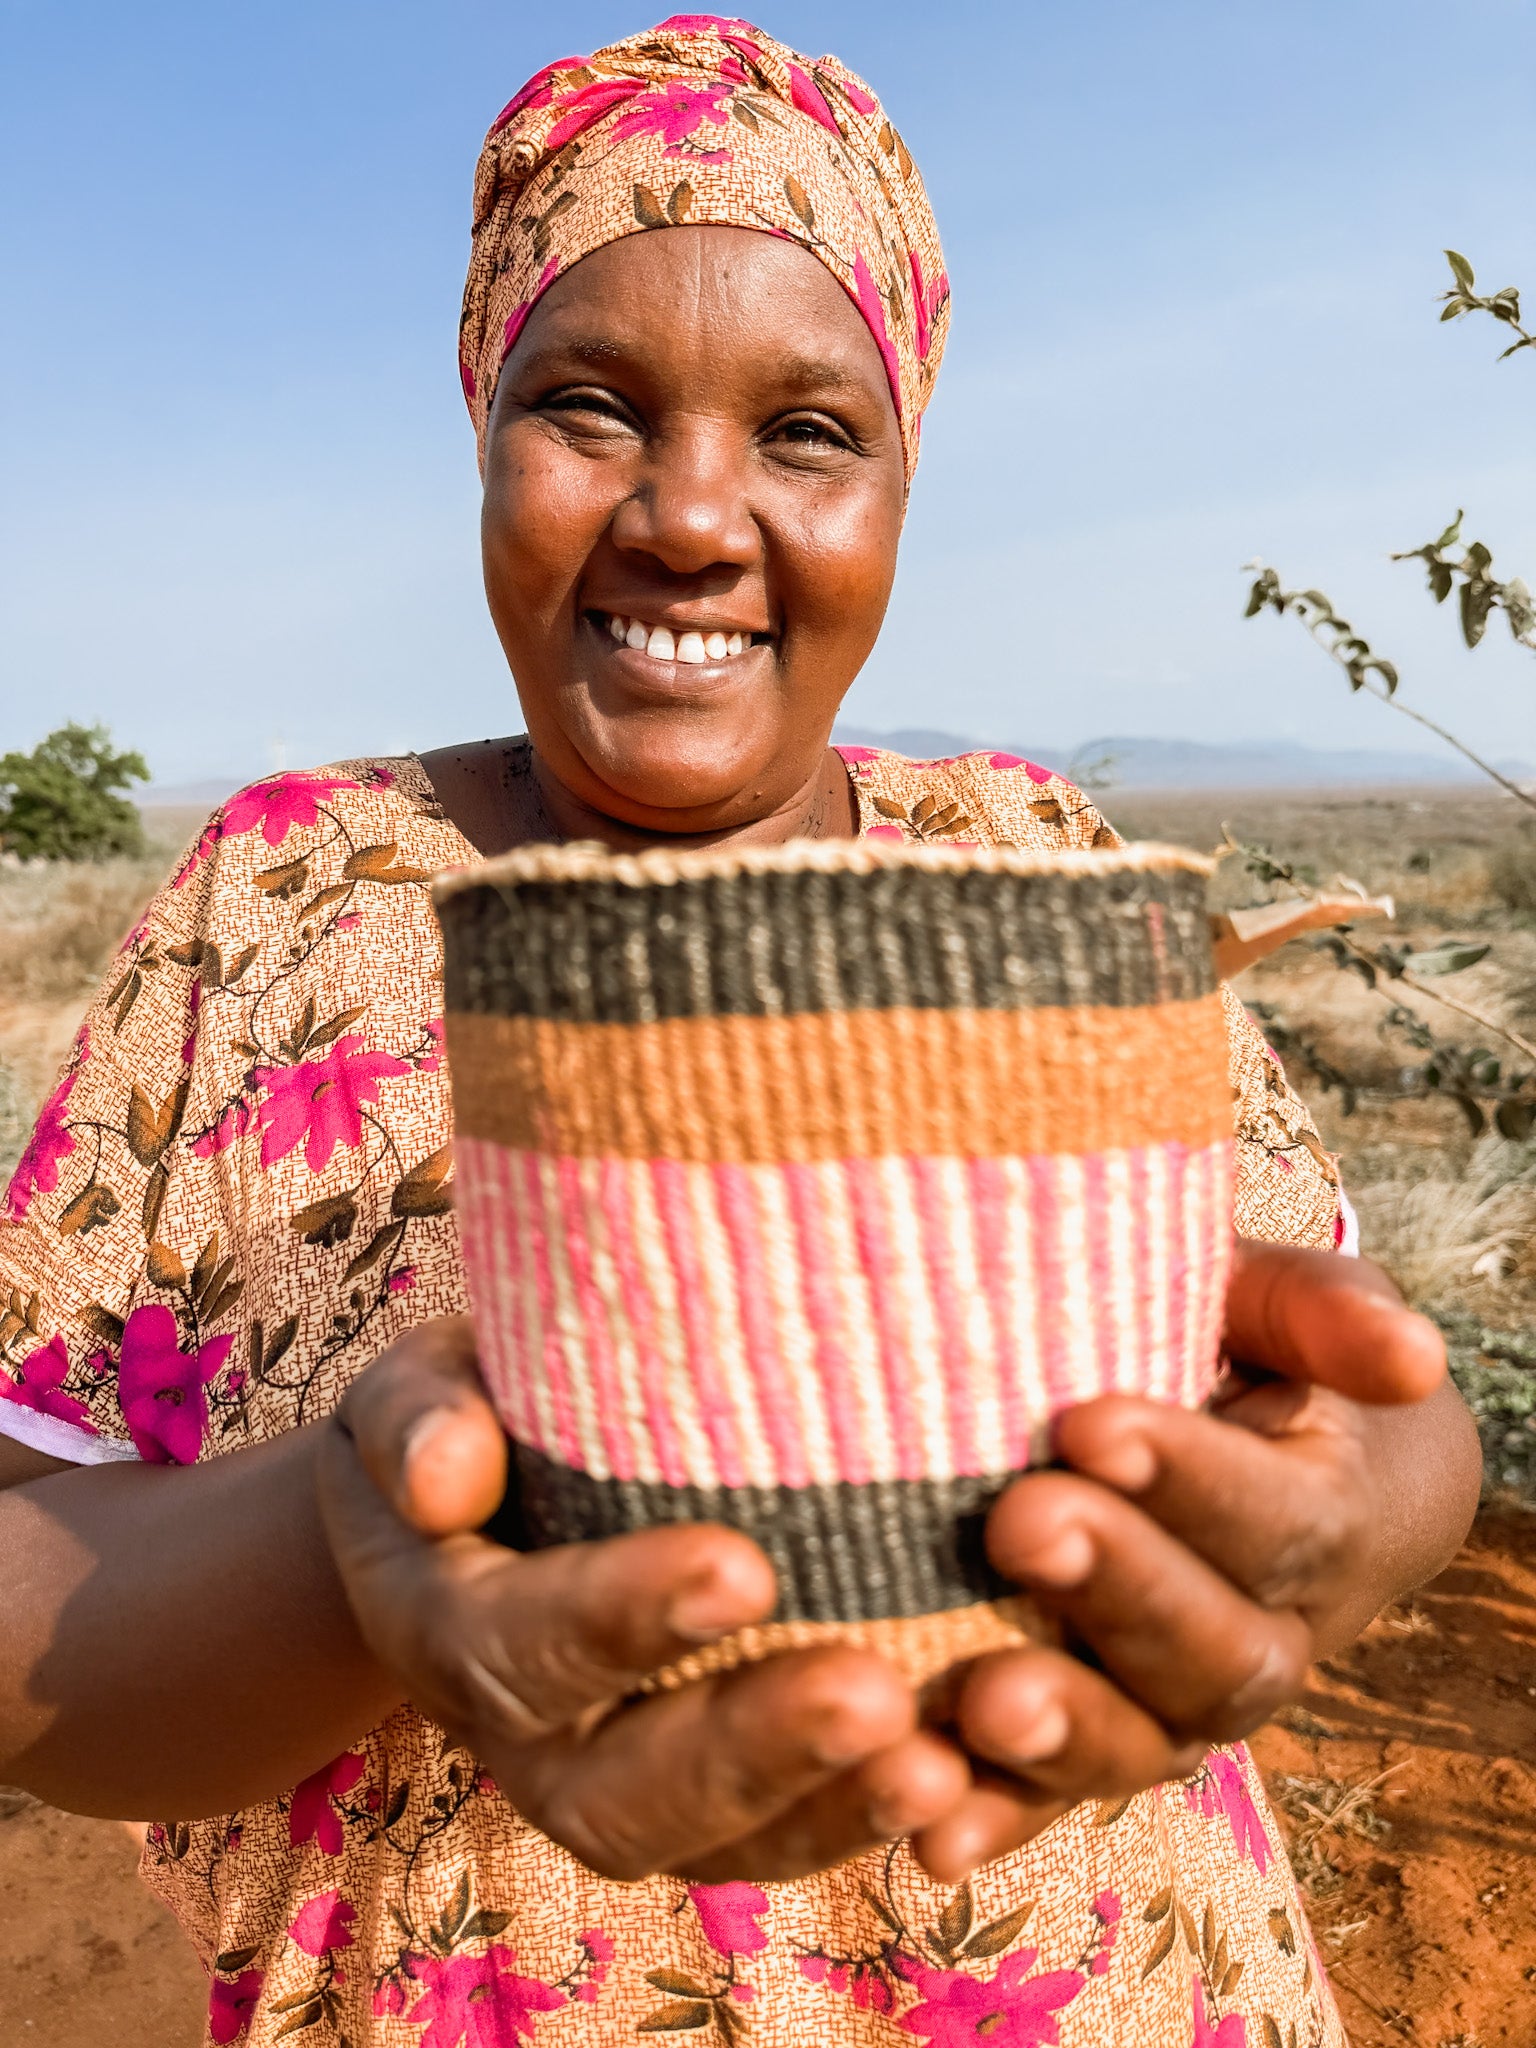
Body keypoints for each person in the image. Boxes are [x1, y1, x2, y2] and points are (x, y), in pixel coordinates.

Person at [0, 18, 1478, 2047]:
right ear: (481, 427)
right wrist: (368, 1532)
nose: (693, 517)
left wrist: (1330, 1523)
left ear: (900, 477)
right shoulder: (278, 899)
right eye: (589, 407)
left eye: (807, 431)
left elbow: (1383, 1410)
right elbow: (27, 1609)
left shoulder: (1028, 868)